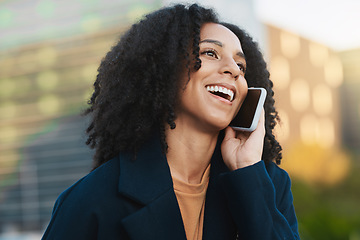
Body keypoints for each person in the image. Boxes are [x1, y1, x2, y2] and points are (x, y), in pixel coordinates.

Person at [42, 3, 300, 240]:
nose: (233, 69)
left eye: (241, 66)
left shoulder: (269, 184)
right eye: (210, 53)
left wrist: (246, 170)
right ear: (164, 69)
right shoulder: (91, 199)